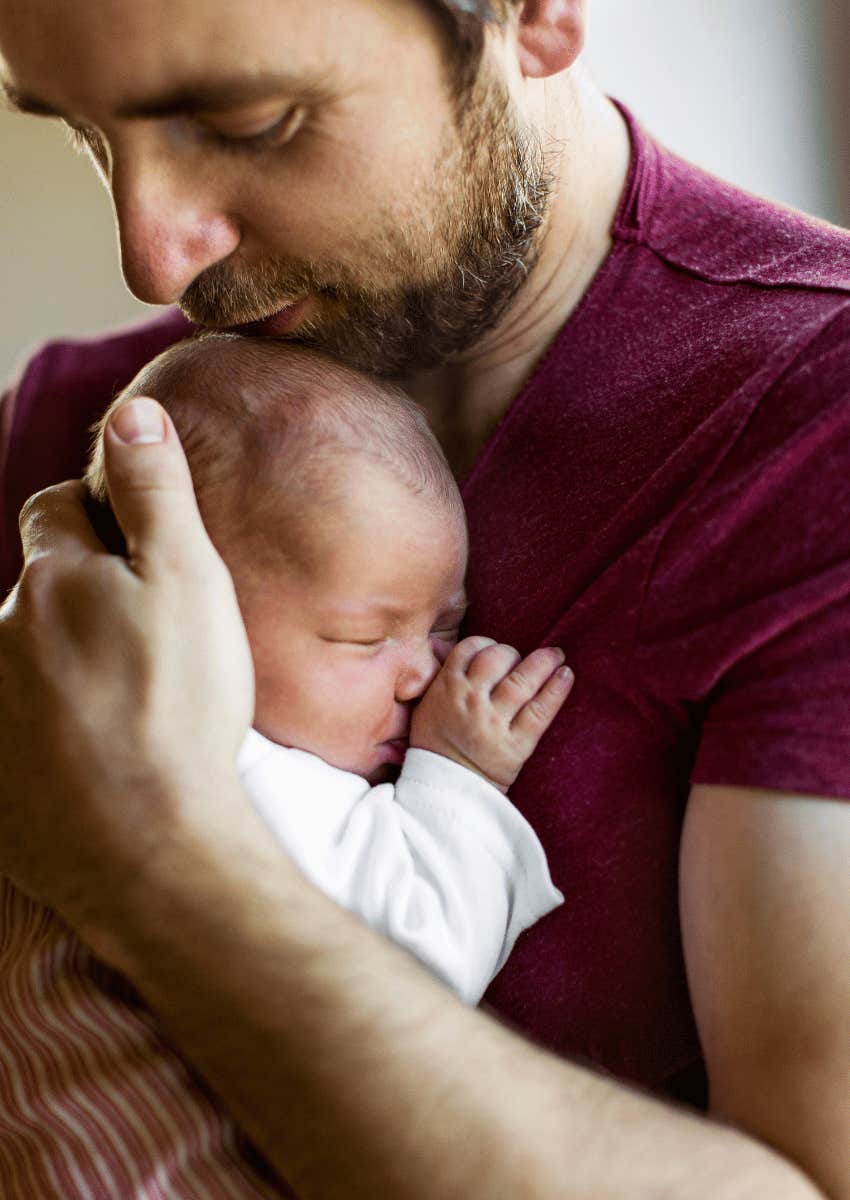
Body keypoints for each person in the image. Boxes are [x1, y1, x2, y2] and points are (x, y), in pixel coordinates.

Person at [0, 1, 847, 1198]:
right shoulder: (102, 439)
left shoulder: (813, 435)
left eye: (250, 119)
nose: (153, 256)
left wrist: (151, 859)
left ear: (534, 15)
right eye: (88, 135)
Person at [85, 333, 569, 1008]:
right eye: (364, 636)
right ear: (177, 606)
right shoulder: (234, 775)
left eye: (443, 627)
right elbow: (421, 972)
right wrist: (461, 774)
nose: (420, 675)